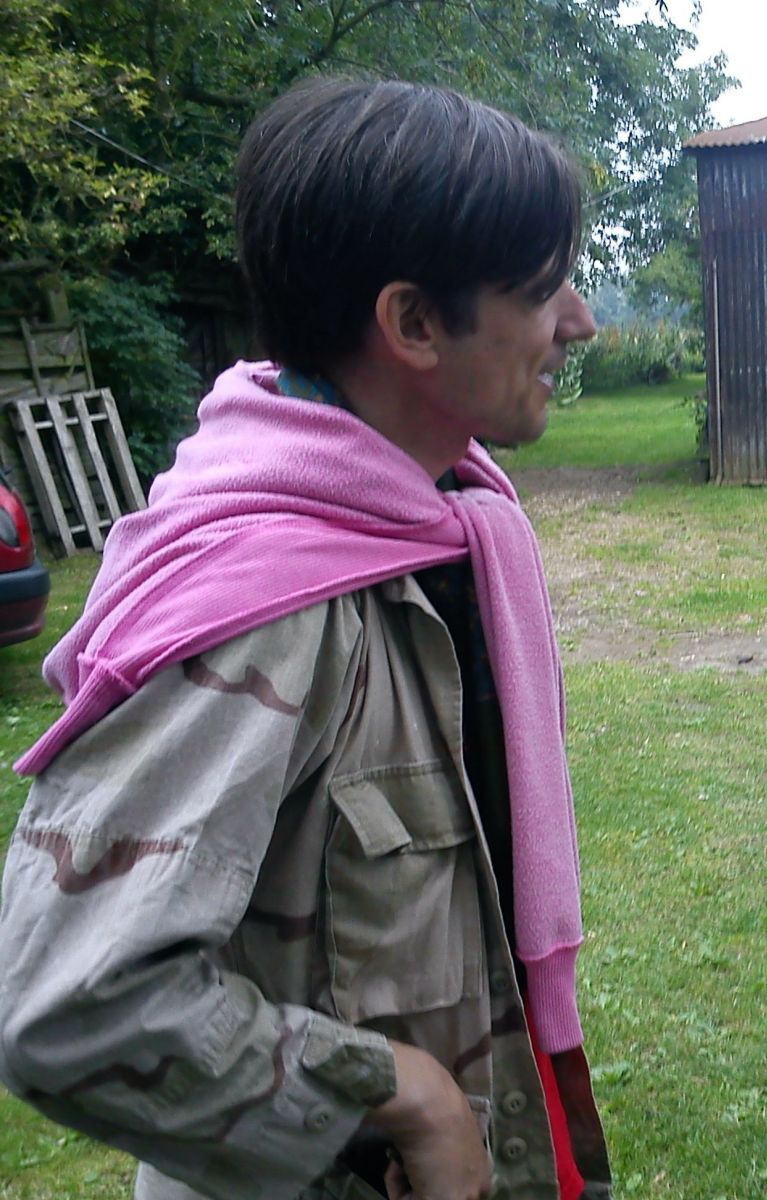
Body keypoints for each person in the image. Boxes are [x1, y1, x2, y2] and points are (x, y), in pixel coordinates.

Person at [0, 79, 609, 1200]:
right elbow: (71, 1003)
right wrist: (403, 1096)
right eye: (539, 290)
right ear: (413, 324)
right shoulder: (264, 610)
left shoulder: (446, 522)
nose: (579, 322)